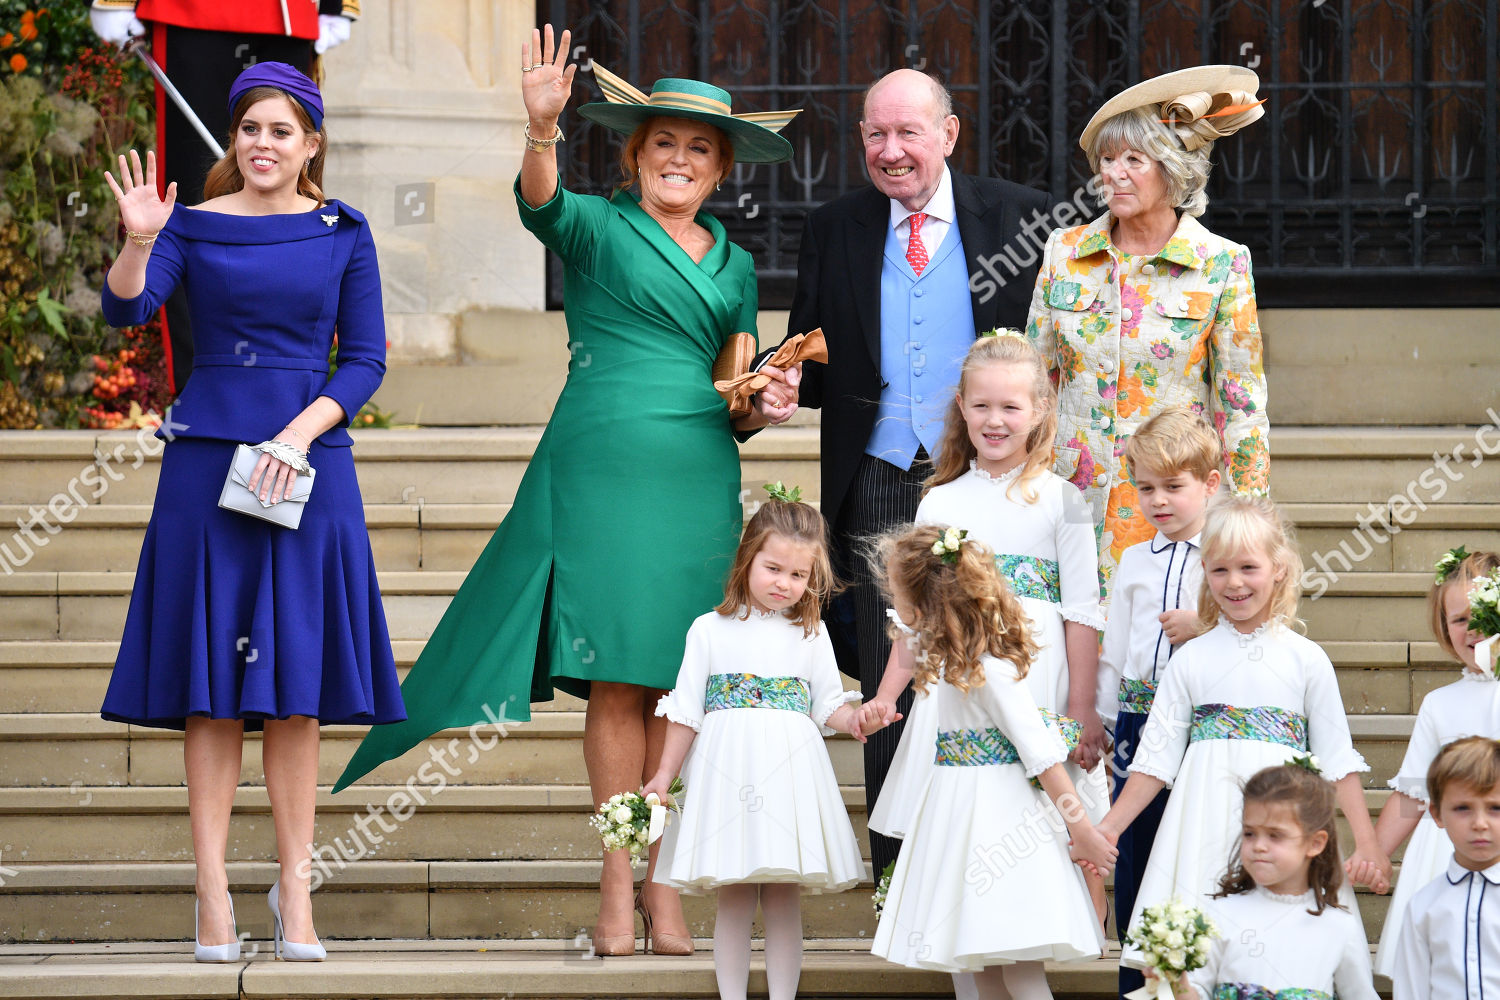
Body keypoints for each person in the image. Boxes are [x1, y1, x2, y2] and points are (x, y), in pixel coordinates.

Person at [332, 26, 802, 957]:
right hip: (601, 467)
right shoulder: (597, 222)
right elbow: (539, 206)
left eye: (698, 148)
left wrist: (766, 404)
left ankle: (669, 890)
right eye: (662, 142)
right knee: (620, 678)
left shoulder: (739, 265)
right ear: (636, 155)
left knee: (685, 683)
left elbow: (733, 383)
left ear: (719, 169)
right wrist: (540, 127)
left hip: (699, 472)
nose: (679, 158)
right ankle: (617, 889)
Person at [97, 61, 404, 962]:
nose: (261, 144)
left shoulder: (344, 232)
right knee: (213, 693)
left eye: (280, 130)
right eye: (249, 129)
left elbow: (367, 361)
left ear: (311, 145)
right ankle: (213, 893)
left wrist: (296, 437)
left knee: (296, 693)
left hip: (306, 470)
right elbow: (128, 311)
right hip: (205, 469)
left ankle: (296, 894)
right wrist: (139, 241)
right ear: (233, 141)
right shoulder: (186, 226)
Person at [788, 66, 1052, 879]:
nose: (891, 151)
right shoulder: (835, 227)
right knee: (887, 681)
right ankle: (898, 879)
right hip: (877, 476)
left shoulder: (1020, 217)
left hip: (985, 479)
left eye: (908, 133)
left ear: (948, 133)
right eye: (875, 134)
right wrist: (777, 387)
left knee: (992, 666)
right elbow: (813, 363)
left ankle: (1004, 867)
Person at [861, 333, 1110, 932]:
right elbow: (915, 619)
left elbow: (1081, 612)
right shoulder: (939, 501)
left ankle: (1081, 937)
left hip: (1042, 670)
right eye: (982, 406)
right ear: (962, 409)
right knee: (980, 811)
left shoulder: (1064, 499)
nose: (994, 420)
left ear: (1039, 412)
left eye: (1010, 407)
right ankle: (980, 932)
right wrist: (888, 696)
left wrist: (1082, 708)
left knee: (1056, 793)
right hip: (963, 680)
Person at [1095, 494, 1388, 971]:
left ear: (1278, 570)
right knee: (1202, 955)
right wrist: (1106, 830)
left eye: (1248, 568)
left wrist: (1368, 841)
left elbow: (1338, 759)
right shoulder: (1190, 659)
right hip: (1200, 830)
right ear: (1205, 574)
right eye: (1220, 570)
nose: (1234, 584)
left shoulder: (1306, 659)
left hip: (1285, 830)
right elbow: (1154, 761)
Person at [1025, 65, 1271, 599]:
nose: (1113, 174)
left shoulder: (1220, 264)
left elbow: (1241, 402)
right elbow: (1033, 383)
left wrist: (1248, 511)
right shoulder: (1065, 254)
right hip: (1070, 501)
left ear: (1174, 171)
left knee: (1157, 656)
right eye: (1106, 160)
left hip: (1171, 506)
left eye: (1133, 161)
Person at [866, 523, 1114, 1000]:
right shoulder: (947, 665)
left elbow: (1042, 757)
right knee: (980, 965)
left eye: (895, 596)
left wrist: (1081, 831)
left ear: (922, 607)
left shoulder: (992, 671)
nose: (893, 609)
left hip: (1000, 825)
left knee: (1017, 967)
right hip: (958, 817)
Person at [644, 496, 865, 1000]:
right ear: (747, 559)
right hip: (728, 774)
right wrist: (662, 775)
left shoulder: (811, 633)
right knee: (735, 895)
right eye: (773, 568)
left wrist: (857, 719)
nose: (784, 583)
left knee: (785, 895)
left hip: (788, 776)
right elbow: (685, 713)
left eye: (798, 575)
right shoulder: (708, 629)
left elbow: (827, 705)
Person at [89, 0, 360, 392]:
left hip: (290, 13)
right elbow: (122, 310)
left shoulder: (350, 228)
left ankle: (293, 392)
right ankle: (200, 396)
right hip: (191, 10)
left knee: (287, 182)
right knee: (191, 198)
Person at [1094, 405, 1221, 999]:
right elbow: (1116, 650)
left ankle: (1201, 978)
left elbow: (1266, 624)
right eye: (1146, 488)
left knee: (1193, 846)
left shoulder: (1226, 560)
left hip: (1201, 724)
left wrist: (1207, 622)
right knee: (1137, 853)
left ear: (1210, 484)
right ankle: (1138, 984)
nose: (1158, 500)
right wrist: (1100, 720)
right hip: (1137, 721)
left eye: (1174, 486)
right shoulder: (1134, 562)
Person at [1368, 548, 1500, 977]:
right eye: (1459, 619)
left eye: (1484, 611)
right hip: (1444, 855)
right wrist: (1372, 852)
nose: (1473, 627)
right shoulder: (1439, 705)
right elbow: (1412, 794)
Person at [1146, 764, 1378, 999]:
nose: (1259, 846)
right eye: (1250, 833)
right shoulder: (1219, 915)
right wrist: (1173, 980)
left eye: (1275, 835)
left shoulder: (1339, 928)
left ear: (1315, 843)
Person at [1393, 736, 1500, 999]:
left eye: (1495, 808)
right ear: (1438, 814)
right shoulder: (1423, 906)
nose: (1480, 823)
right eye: (1463, 808)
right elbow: (1411, 990)